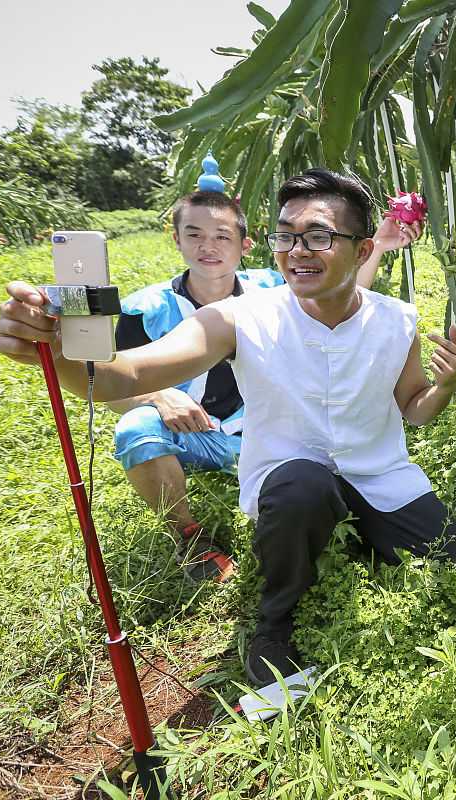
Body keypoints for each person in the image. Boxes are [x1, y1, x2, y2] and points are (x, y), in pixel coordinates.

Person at [0, 169, 456, 687]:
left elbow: (415, 408)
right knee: (302, 485)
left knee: (450, 560)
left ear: (362, 250)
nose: (297, 250)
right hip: (291, 479)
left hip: (379, 474)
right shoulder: (238, 317)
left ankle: (341, 533)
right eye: (285, 235)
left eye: (318, 236)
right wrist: (58, 351)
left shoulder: (396, 319)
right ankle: (273, 624)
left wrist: (442, 388)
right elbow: (118, 376)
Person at [109, 190, 282, 584]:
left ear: (245, 245)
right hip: (192, 433)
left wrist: (381, 246)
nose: (209, 247)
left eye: (222, 235)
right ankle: (189, 537)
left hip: (266, 432)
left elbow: (339, 295)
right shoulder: (147, 308)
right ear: (177, 240)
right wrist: (157, 394)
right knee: (135, 427)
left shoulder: (270, 291)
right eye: (194, 234)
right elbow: (114, 387)